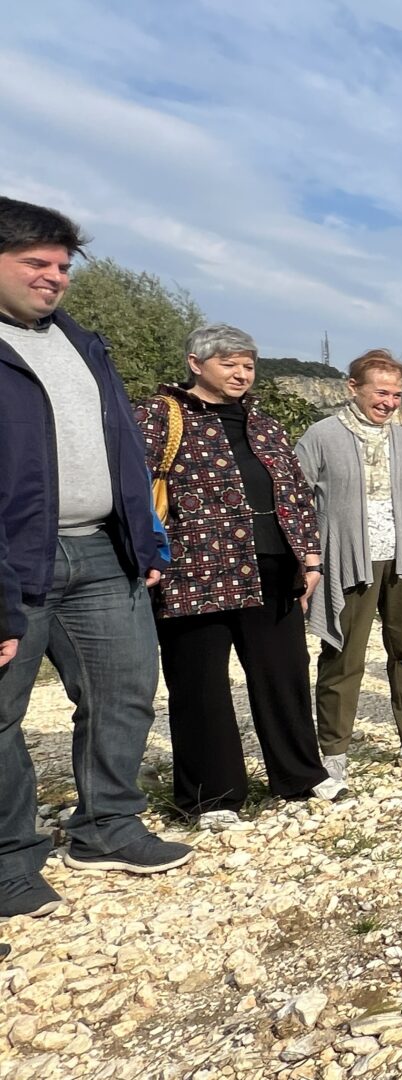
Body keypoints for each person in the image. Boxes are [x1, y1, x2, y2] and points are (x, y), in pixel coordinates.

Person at [0, 198, 192, 916]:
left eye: (62, 266)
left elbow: (127, 449)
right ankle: (10, 860)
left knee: (123, 691)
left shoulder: (82, 344)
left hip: (103, 550)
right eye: (36, 263)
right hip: (15, 560)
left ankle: (106, 826)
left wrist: (144, 537)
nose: (54, 277)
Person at [134, 324, 342, 829]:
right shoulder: (158, 416)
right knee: (200, 684)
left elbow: (295, 493)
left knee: (283, 675)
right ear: (195, 363)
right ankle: (212, 796)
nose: (241, 374)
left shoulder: (264, 423)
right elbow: (131, 487)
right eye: (228, 364)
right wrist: (142, 556)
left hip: (272, 567)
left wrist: (311, 559)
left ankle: (300, 774)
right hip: (193, 572)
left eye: (248, 365)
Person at [295, 349, 402, 784]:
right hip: (347, 558)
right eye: (381, 392)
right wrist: (308, 557)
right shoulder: (321, 436)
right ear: (353, 388)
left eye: (397, 394)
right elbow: (297, 500)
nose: (389, 402)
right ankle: (334, 748)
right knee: (343, 654)